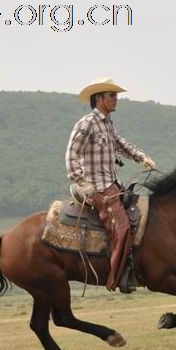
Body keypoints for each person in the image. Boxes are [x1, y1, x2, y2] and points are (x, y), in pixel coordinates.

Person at [65, 77, 156, 293]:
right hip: (97, 188)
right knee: (123, 228)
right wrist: (82, 181)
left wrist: (141, 157)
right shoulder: (87, 123)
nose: (116, 100)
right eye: (112, 96)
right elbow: (71, 154)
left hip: (112, 184)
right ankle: (118, 278)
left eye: (116, 96)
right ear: (99, 99)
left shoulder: (107, 123)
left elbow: (120, 143)